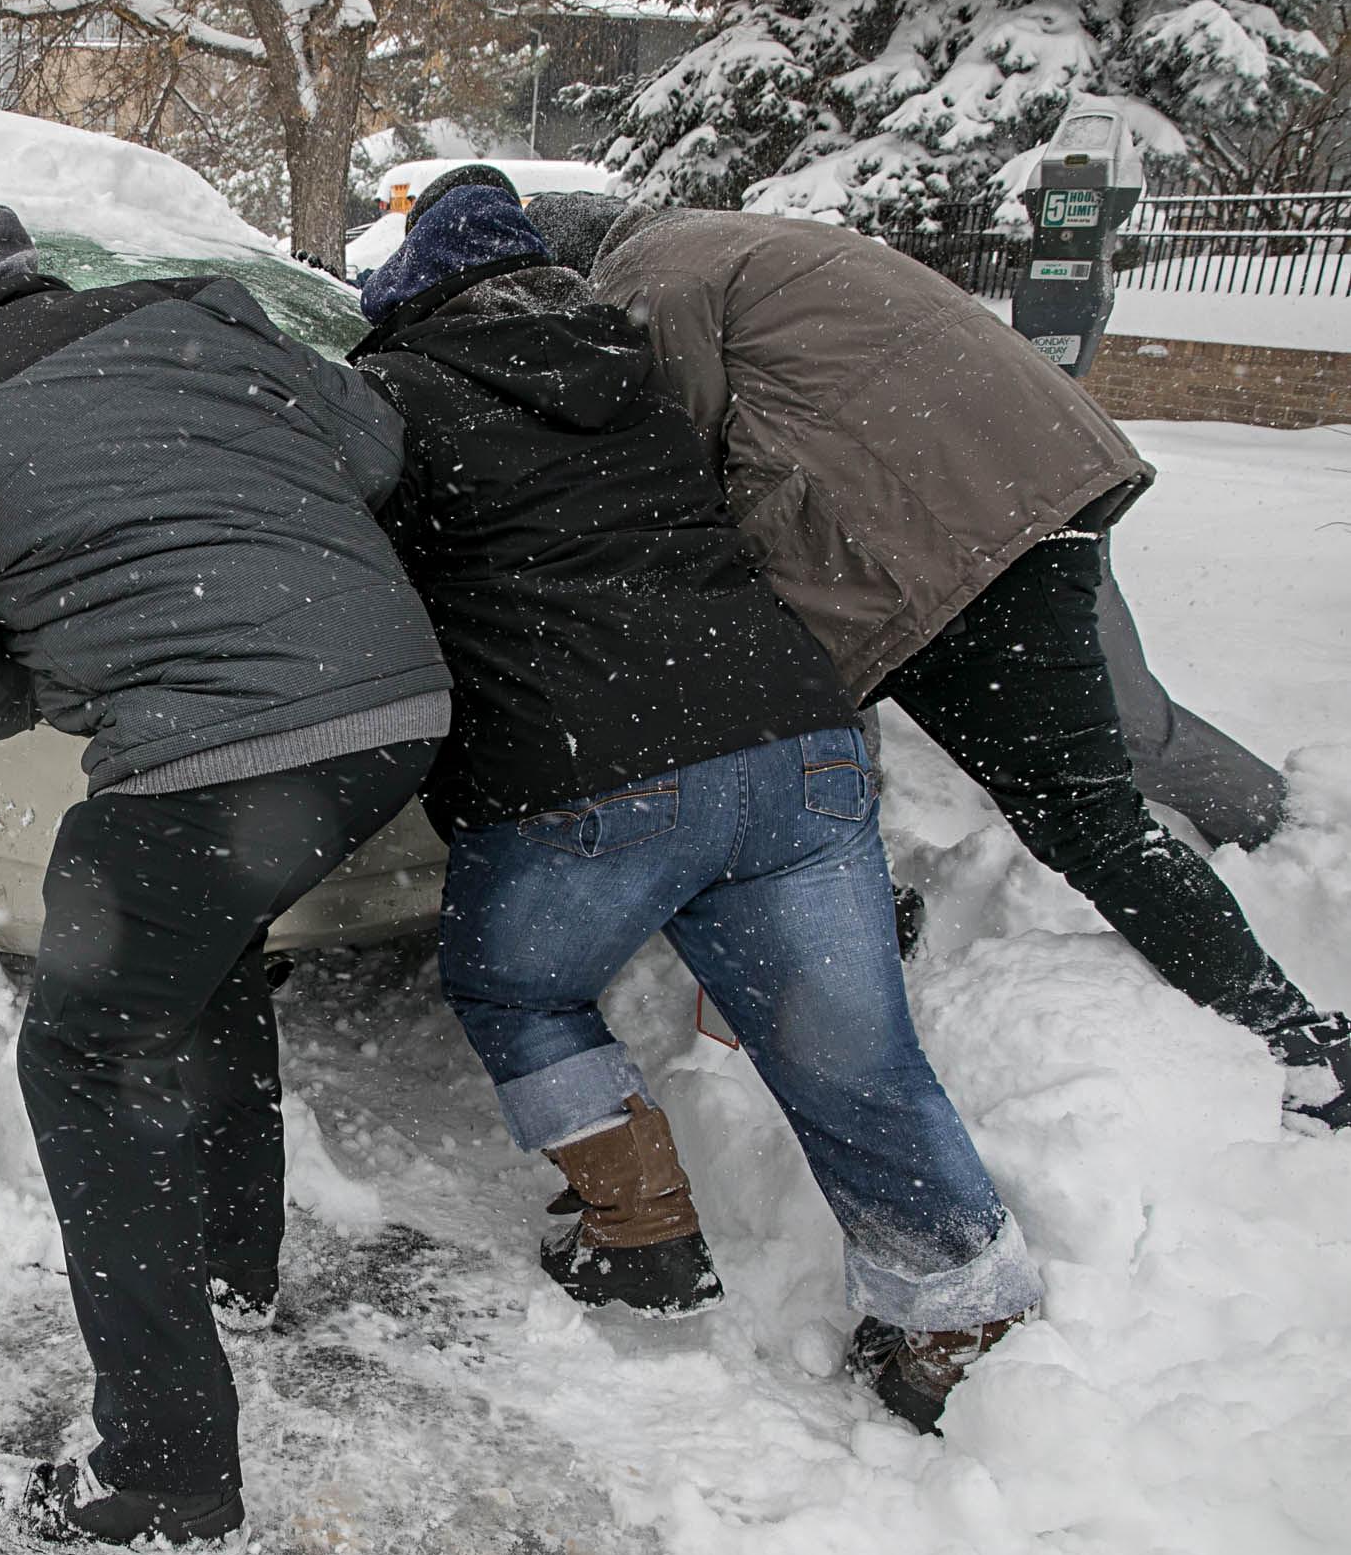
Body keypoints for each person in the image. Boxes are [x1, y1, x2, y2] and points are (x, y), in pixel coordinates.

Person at [352, 187, 1046, 1432]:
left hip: (590, 764)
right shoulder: (646, 379)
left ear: (409, 300)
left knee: (513, 983)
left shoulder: (404, 402)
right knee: (853, 1054)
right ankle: (959, 1309)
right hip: (792, 741)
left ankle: (640, 1229)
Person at [0, 197, 450, 1555]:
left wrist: (58, 650)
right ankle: (234, 1275)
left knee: (83, 1049)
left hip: (216, 755)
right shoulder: (191, 312)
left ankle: (166, 1472)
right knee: (200, 959)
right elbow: (372, 444)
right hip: (398, 709)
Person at [505, 180, 1347, 1132]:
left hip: (950, 534)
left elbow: (674, 472)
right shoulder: (740, 239)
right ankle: (873, 906)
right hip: (1032, 477)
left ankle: (1300, 1039)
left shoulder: (650, 278)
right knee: (861, 706)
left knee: (1081, 814)